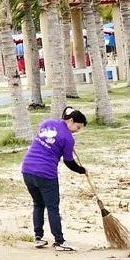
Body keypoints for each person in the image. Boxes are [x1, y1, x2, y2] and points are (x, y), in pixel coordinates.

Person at [20, 106, 87, 251]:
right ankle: (59, 241)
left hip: (27, 170)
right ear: (70, 120)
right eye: (77, 127)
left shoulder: (46, 123)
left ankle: (38, 237)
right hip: (46, 174)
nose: (77, 130)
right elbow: (69, 162)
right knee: (52, 207)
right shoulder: (68, 138)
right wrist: (81, 170)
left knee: (38, 204)